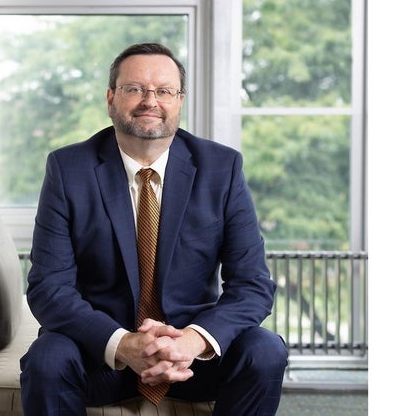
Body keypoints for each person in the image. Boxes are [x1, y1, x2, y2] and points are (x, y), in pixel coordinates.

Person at [20, 42, 288, 415]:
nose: (151, 100)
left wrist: (192, 342)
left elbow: (253, 285)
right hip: (102, 353)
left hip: (190, 358)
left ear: (179, 100)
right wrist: (124, 344)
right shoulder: (69, 169)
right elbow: (49, 288)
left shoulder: (221, 168)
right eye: (134, 89)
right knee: (47, 359)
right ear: (111, 98)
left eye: (163, 90)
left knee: (265, 350)